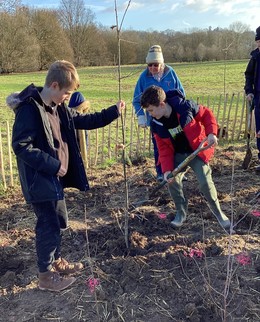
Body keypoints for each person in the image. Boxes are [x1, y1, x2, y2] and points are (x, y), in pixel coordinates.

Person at [6, 60, 125, 292]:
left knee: (59, 222)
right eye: (67, 92)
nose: (68, 97)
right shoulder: (30, 109)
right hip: (40, 180)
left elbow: (85, 121)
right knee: (48, 225)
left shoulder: (59, 108)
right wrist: (52, 165)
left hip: (54, 179)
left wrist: (113, 112)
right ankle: (45, 276)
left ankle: (57, 261)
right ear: (54, 85)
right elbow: (21, 146)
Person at [140, 85, 231, 232]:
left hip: (196, 151)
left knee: (205, 182)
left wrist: (211, 133)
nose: (150, 114)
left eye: (151, 110)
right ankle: (181, 212)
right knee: (171, 180)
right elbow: (163, 149)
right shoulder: (156, 124)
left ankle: (219, 212)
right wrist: (166, 170)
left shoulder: (185, 108)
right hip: (177, 154)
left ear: (162, 104)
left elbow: (207, 114)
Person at [132, 45, 185, 182]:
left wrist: (181, 112)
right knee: (159, 146)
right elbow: (137, 99)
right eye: (150, 65)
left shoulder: (170, 73)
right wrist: (141, 116)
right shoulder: (144, 77)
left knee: (177, 144)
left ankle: (178, 171)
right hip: (155, 120)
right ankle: (161, 173)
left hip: (172, 119)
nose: (152, 68)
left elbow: (181, 94)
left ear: (162, 63)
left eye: (156, 65)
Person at [244, 26, 260, 171]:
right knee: (259, 130)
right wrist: (249, 91)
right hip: (259, 97)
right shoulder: (255, 58)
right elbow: (248, 75)